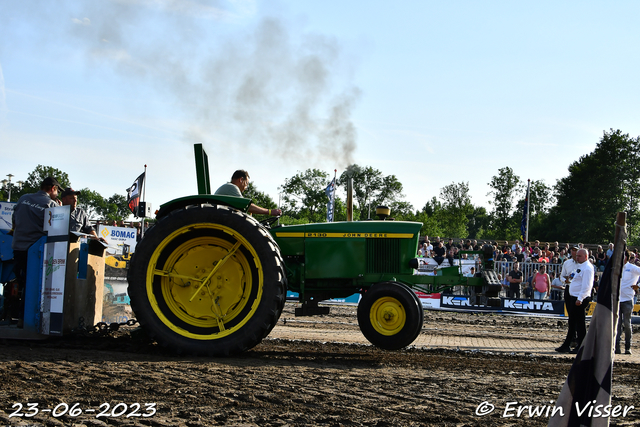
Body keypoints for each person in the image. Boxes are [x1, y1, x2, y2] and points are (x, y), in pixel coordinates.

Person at [7, 177, 62, 327]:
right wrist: (59, 210)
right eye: (57, 191)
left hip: (17, 247)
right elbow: (55, 229)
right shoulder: (51, 204)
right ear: (52, 188)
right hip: (35, 251)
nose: (57, 194)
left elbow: (14, 220)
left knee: (21, 282)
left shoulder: (23, 198)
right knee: (34, 285)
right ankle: (25, 319)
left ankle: (16, 316)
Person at [556, 248, 594, 353]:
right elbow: (572, 278)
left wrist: (580, 298)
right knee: (572, 322)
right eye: (576, 256)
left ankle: (581, 346)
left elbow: (587, 286)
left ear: (586, 256)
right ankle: (567, 344)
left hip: (579, 298)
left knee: (580, 323)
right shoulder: (579, 267)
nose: (577, 258)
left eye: (579, 256)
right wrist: (569, 279)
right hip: (573, 296)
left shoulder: (587, 268)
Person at [214, 170, 282, 216]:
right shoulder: (232, 187)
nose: (246, 188)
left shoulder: (227, 187)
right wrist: (270, 212)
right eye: (246, 183)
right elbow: (246, 206)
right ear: (241, 180)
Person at [617, 251, 640, 355]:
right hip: (617, 299)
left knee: (627, 323)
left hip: (627, 299)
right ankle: (616, 346)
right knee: (617, 324)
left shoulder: (632, 267)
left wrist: (638, 285)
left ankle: (627, 346)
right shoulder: (616, 267)